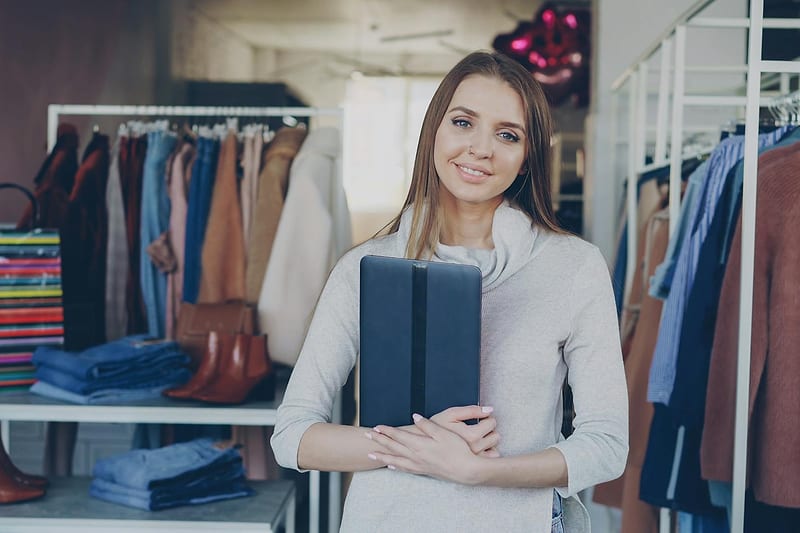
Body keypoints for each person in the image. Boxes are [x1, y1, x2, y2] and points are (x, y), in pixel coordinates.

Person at [271, 50, 628, 533]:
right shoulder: (364, 268)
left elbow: (606, 446)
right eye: (463, 122)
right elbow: (293, 437)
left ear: (526, 160)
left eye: (507, 135)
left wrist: (476, 470)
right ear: (433, 132)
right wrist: (418, 448)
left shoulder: (573, 267)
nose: (480, 148)